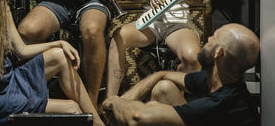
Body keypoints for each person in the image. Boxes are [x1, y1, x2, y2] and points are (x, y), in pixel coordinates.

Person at [102, 23, 260, 126]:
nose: (208, 38)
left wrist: (116, 102)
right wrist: (125, 100)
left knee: (143, 113)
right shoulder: (221, 80)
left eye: (215, 37)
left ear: (218, 52)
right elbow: (163, 75)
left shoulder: (222, 102)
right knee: (163, 88)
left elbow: (136, 117)